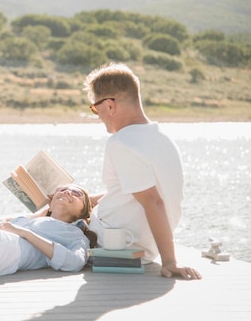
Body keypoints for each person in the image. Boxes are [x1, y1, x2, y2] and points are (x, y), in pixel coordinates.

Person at [83, 62, 201, 280]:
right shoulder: (162, 138)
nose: (96, 115)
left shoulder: (122, 142)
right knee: (69, 204)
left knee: (53, 215)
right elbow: (136, 193)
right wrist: (90, 200)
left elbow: (153, 201)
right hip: (144, 244)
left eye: (94, 108)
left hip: (117, 243)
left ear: (109, 105)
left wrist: (170, 262)